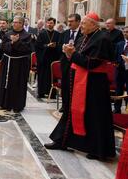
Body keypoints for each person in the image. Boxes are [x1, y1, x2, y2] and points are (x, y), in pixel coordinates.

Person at [45, 12, 116, 161]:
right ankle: (62, 141)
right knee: (72, 111)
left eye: (84, 23)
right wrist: (68, 52)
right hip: (80, 82)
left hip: (94, 85)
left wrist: (72, 54)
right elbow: (77, 56)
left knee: (94, 116)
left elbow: (91, 63)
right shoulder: (85, 37)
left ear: (94, 24)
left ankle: (97, 149)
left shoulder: (102, 39)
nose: (81, 26)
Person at [0, 16, 32, 112]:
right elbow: (3, 47)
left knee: (18, 84)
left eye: (16, 22)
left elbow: (27, 49)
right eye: (13, 22)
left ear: (21, 24)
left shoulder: (27, 35)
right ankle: (4, 103)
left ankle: (17, 105)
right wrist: (12, 43)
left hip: (20, 64)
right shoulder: (8, 34)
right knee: (5, 82)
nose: (14, 24)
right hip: (7, 61)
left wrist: (17, 42)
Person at [57, 14, 82, 113]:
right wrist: (63, 49)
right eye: (68, 21)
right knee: (65, 84)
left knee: (75, 85)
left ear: (78, 22)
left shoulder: (82, 34)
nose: (69, 23)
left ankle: (74, 105)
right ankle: (65, 105)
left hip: (77, 63)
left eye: (72, 21)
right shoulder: (64, 33)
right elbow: (58, 47)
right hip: (65, 63)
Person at [36, 17, 61, 99]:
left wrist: (55, 46)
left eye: (51, 23)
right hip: (43, 58)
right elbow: (38, 46)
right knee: (43, 75)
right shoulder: (42, 33)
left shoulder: (58, 34)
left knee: (52, 76)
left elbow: (60, 45)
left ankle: (53, 94)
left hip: (53, 58)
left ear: (54, 24)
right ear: (46, 24)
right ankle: (41, 92)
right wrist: (47, 46)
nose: (50, 24)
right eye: (48, 23)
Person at [114, 26, 128, 114]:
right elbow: (115, 56)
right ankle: (117, 109)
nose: (125, 33)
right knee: (118, 90)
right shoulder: (120, 44)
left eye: (127, 32)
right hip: (119, 70)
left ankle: (127, 108)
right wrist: (116, 63)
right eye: (124, 32)